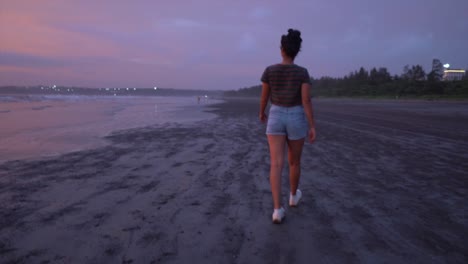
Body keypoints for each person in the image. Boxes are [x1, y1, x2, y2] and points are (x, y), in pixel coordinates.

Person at [259, 29, 316, 224]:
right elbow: (306, 100)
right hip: (296, 116)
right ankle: (293, 197)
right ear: (296, 50)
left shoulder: (270, 70)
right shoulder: (302, 72)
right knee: (294, 162)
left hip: (275, 114)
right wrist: (312, 125)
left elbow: (265, 96)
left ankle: (277, 210)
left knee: (276, 164)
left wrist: (261, 112)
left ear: (282, 49)